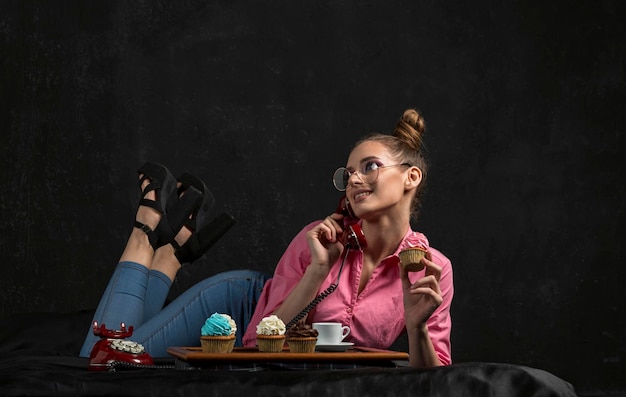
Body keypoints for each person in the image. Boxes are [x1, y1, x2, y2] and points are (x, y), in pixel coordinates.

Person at [80, 108, 454, 368]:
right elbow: (255, 345)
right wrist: (318, 270)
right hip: (237, 308)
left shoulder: (432, 269)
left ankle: (170, 255)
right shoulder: (320, 240)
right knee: (99, 361)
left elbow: (435, 376)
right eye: (349, 173)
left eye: (370, 167)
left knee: (114, 359)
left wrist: (417, 325)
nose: (354, 179)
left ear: (411, 177)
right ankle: (145, 233)